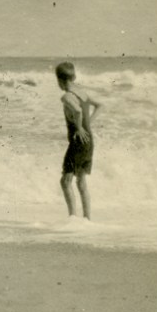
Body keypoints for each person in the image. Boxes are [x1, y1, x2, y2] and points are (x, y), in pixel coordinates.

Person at [55, 62, 102, 220]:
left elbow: (77, 110)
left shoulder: (67, 96)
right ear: (73, 77)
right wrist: (87, 125)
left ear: (60, 81)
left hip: (78, 142)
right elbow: (100, 106)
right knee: (81, 181)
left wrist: (79, 128)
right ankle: (87, 219)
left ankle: (72, 218)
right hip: (89, 141)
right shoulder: (82, 93)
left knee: (66, 181)